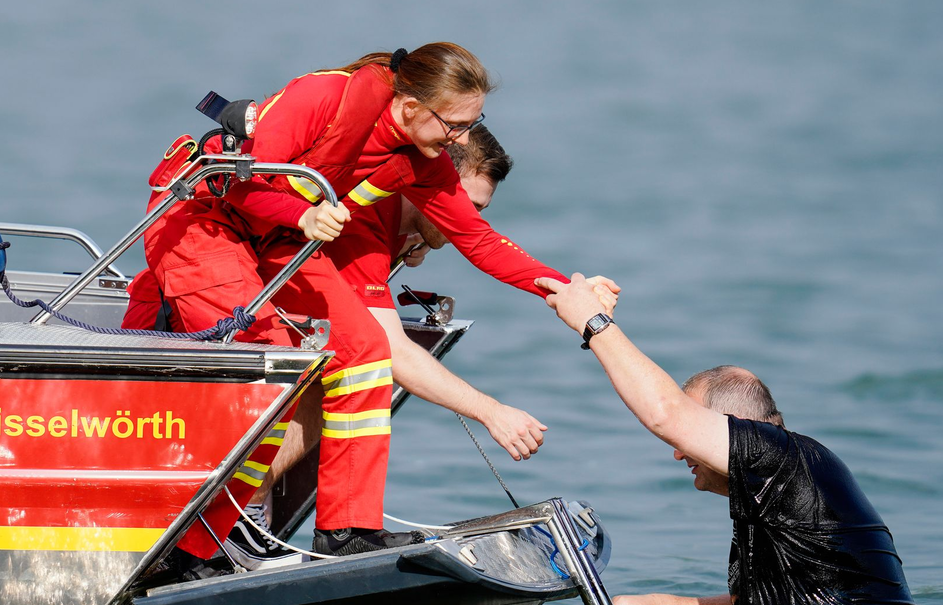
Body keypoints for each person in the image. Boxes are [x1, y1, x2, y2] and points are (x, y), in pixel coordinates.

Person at [127, 43, 605, 558]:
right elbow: (233, 178)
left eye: (472, 123)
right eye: (456, 125)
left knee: (366, 355)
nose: (461, 139)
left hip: (284, 236)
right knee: (271, 362)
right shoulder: (325, 95)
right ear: (411, 108)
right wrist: (301, 217)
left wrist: (566, 289)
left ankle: (347, 530)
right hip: (206, 218)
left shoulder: (426, 163)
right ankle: (194, 546)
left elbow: (483, 243)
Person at [534, 273, 927, 605]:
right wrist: (659, 604)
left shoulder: (783, 456)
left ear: (736, 426)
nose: (678, 452)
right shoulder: (776, 486)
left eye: (691, 435)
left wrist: (592, 321)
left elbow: (666, 414)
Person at [226, 126, 550, 556]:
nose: (467, 223)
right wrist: (492, 413)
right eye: (465, 207)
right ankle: (241, 517)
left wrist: (412, 234)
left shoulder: (394, 221)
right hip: (230, 299)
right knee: (359, 364)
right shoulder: (361, 225)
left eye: (479, 211)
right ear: (429, 189)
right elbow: (392, 350)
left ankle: (254, 516)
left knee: (340, 368)